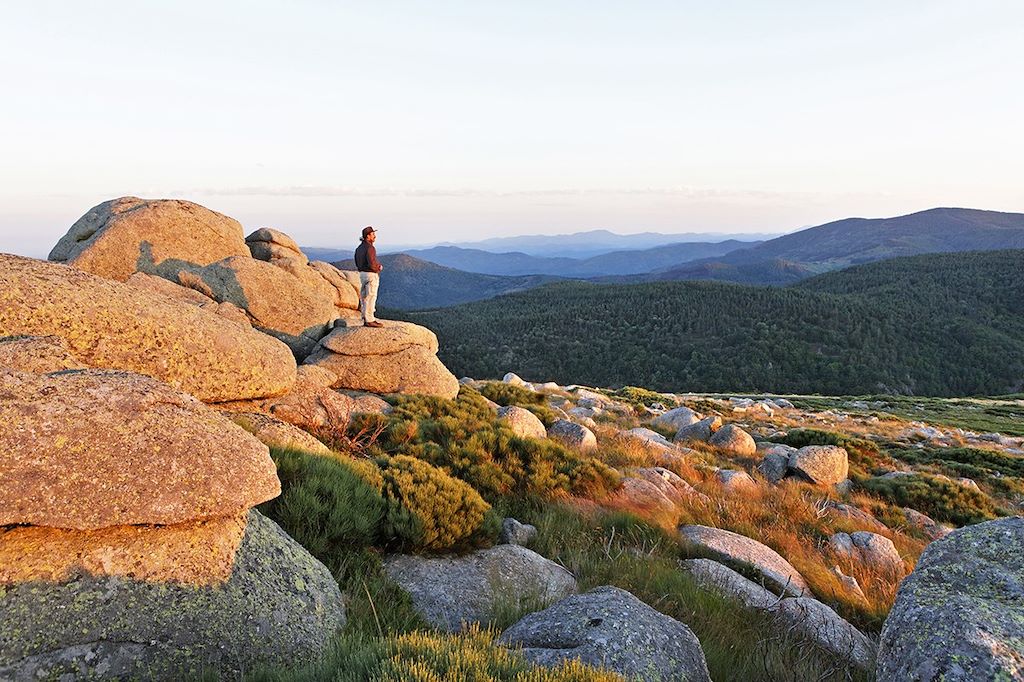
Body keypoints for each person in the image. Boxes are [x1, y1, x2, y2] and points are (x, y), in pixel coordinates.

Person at [354, 225, 384, 327]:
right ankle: (370, 319)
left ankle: (365, 317)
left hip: (361, 274)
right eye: (373, 234)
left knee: (364, 297)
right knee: (371, 296)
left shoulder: (359, 248)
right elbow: (372, 263)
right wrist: (378, 267)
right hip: (371, 275)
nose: (374, 236)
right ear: (368, 236)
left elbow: (357, 262)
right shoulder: (370, 248)